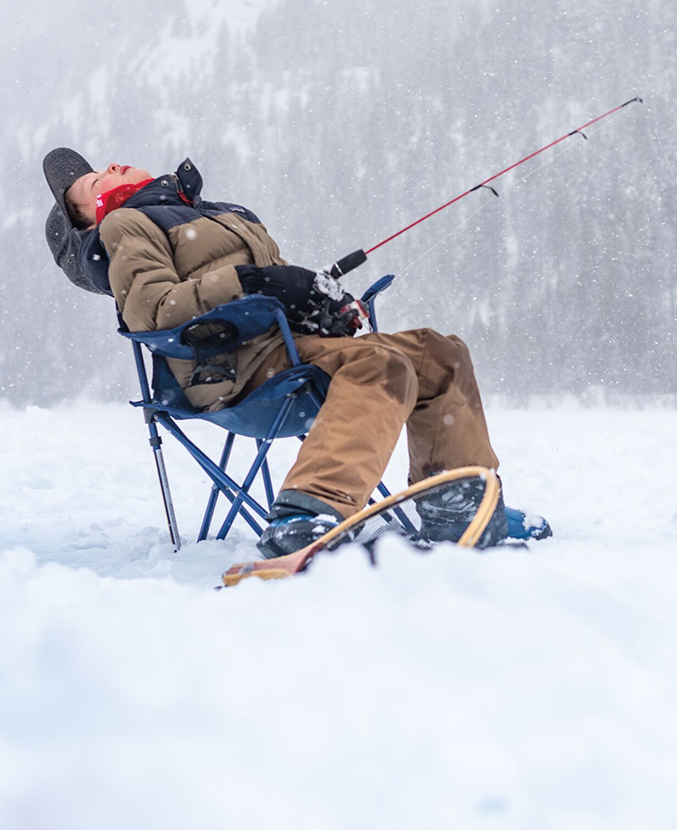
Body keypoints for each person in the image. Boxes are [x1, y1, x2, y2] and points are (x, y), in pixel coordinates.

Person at [42, 148, 550, 556]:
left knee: (440, 352)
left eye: (105, 163)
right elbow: (152, 311)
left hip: (285, 352)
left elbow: (278, 285)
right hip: (228, 372)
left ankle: (456, 505)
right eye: (92, 183)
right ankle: (307, 513)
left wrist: (318, 305)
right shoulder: (123, 226)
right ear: (88, 217)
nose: (108, 166)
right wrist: (252, 280)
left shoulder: (221, 215)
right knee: (381, 363)